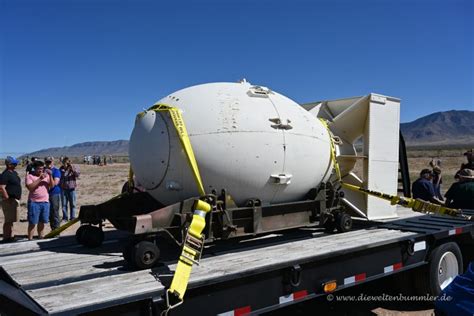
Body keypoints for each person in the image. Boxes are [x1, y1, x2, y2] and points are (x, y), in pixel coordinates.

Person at [25, 160, 53, 240]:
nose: (40, 170)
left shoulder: (46, 176)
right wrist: (40, 179)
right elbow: (30, 187)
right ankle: (30, 239)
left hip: (45, 202)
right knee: (32, 222)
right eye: (38, 169)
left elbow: (52, 185)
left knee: (42, 221)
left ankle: (40, 237)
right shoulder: (30, 176)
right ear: (34, 168)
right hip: (34, 202)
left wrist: (50, 176)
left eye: (42, 168)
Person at [0, 156, 22, 242]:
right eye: (14, 163)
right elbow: (2, 187)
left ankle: (10, 236)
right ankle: (6, 237)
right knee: (8, 220)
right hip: (9, 200)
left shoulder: (14, 173)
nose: (16, 164)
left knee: (11, 219)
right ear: (9, 164)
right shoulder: (5, 174)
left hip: (14, 200)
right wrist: (7, 198)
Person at [45, 157, 62, 230]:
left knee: (55, 211)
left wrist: (50, 175)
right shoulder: (43, 171)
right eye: (47, 162)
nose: (49, 163)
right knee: (49, 212)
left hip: (54, 193)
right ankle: (53, 228)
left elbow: (55, 182)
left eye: (50, 162)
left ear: (53, 162)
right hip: (45, 193)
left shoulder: (56, 171)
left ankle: (57, 229)